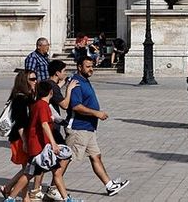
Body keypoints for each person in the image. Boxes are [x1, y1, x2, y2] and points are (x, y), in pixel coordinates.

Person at [65, 55, 129, 196]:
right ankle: (53, 187)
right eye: (87, 66)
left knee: (96, 156)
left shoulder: (85, 80)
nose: (91, 69)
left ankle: (109, 185)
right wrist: (96, 113)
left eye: (92, 66)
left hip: (88, 128)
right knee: (65, 159)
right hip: (78, 128)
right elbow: (76, 106)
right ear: (79, 67)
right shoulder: (76, 83)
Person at [25, 79, 74, 202]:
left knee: (54, 171)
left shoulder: (39, 104)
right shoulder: (42, 105)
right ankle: (11, 195)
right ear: (51, 92)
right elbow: (44, 124)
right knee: (27, 174)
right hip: (38, 145)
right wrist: (53, 143)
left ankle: (66, 198)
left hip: (41, 144)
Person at [0, 68, 37, 201]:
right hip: (20, 138)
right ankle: (12, 190)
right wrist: (25, 141)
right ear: (24, 81)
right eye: (32, 79)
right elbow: (20, 123)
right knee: (28, 169)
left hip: (23, 136)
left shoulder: (26, 96)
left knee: (27, 168)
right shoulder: (21, 98)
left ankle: (17, 193)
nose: (35, 81)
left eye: (35, 78)